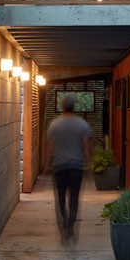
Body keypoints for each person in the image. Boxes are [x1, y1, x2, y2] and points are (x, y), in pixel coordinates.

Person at [45, 94, 91, 239]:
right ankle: (70, 225)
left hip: (59, 166)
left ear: (61, 106)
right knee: (74, 197)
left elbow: (50, 145)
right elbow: (86, 145)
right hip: (76, 167)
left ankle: (64, 223)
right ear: (74, 106)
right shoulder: (82, 124)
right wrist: (88, 164)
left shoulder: (55, 124)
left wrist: (46, 163)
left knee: (60, 197)